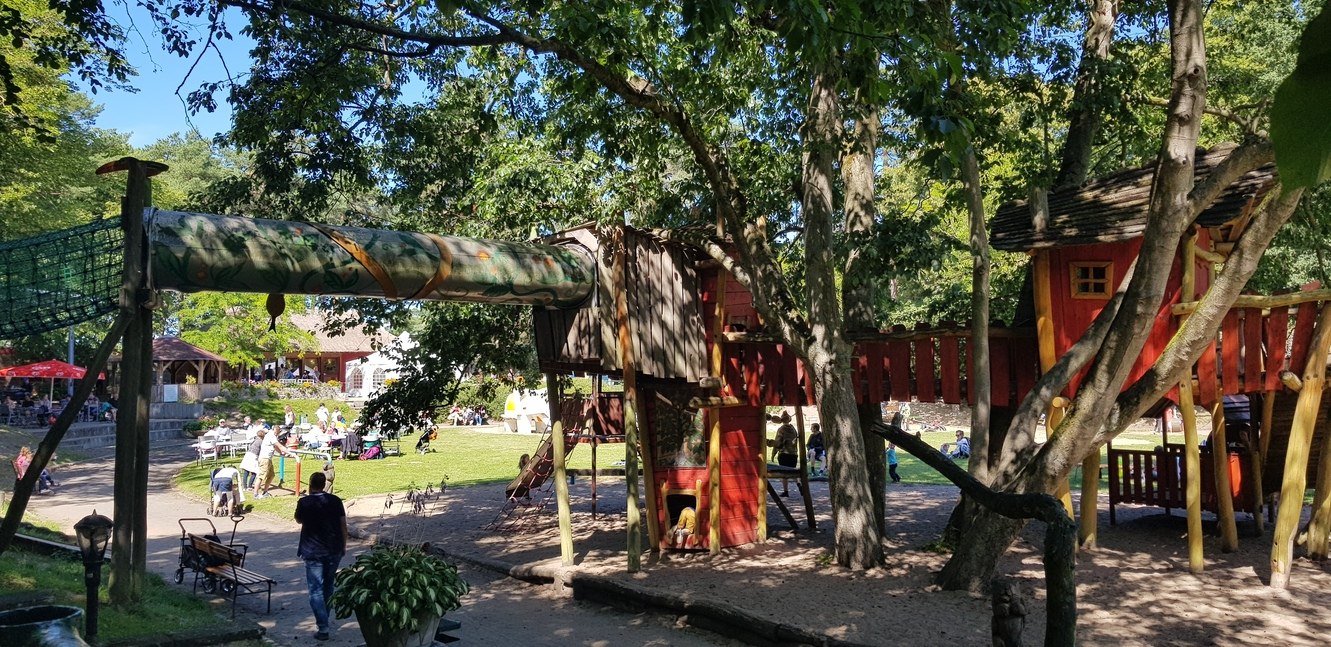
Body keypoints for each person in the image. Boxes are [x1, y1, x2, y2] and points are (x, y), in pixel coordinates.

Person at [295, 471, 346, 642]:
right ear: (324, 484)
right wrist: (344, 546)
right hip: (334, 548)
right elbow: (343, 525)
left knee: (315, 589)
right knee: (328, 586)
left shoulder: (304, 502)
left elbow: (298, 520)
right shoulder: (336, 501)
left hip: (313, 551)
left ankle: (323, 626)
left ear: (310, 485)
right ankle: (324, 618)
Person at [255, 424, 292, 498]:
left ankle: (265, 492)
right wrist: (291, 453)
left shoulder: (272, 436)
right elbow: (280, 446)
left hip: (268, 459)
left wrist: (281, 453)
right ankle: (255, 494)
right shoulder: (271, 435)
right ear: (276, 431)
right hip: (264, 459)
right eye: (278, 432)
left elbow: (275, 447)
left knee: (271, 475)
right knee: (261, 476)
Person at [768, 411, 799, 497]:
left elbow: (778, 443)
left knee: (784, 473)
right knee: (793, 471)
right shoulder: (793, 429)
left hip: (784, 454)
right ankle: (799, 484)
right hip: (794, 454)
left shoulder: (781, 429)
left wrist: (773, 453)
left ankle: (786, 491)